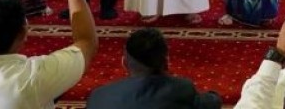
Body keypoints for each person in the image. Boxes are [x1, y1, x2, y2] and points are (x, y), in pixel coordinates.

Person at [86, 28, 222, 109]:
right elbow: (213, 103)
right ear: (166, 61)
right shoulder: (181, 89)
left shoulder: (98, 97)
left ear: (124, 62)